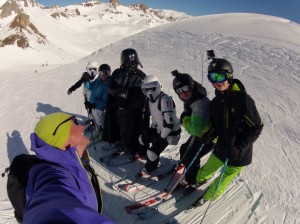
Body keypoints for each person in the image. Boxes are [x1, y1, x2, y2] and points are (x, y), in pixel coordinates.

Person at [195, 55, 263, 206]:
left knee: (223, 179)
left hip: (239, 152)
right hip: (222, 146)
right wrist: (210, 134)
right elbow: (216, 126)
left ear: (229, 76)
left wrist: (239, 147)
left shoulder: (243, 100)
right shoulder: (216, 102)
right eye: (212, 78)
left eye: (220, 77)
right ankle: (199, 180)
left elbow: (256, 127)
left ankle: (208, 196)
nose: (216, 82)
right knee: (205, 171)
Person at [24, 112, 114, 223]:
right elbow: (52, 205)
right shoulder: (53, 174)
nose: (81, 127)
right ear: (62, 136)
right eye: (75, 123)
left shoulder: (76, 162)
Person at [172, 70, 213, 189]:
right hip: (201, 132)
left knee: (191, 155)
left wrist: (184, 120)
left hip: (209, 137)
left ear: (192, 86)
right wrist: (186, 118)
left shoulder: (201, 103)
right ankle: (186, 165)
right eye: (179, 91)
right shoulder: (191, 99)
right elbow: (187, 115)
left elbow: (194, 129)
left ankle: (191, 179)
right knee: (184, 148)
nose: (183, 93)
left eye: (185, 88)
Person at [102, 48, 146, 158]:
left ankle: (129, 147)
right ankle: (120, 143)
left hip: (130, 112)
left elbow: (141, 98)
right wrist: (115, 92)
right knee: (117, 128)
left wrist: (129, 105)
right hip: (117, 108)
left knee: (127, 132)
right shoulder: (118, 72)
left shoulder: (141, 77)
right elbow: (110, 88)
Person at [137, 75, 181, 176]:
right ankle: (144, 155)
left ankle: (151, 165)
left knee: (152, 153)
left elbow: (169, 124)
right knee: (142, 139)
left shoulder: (165, 99)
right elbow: (146, 116)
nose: (149, 92)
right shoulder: (148, 100)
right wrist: (145, 131)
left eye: (152, 88)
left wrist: (160, 138)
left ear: (158, 86)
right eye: (146, 89)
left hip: (171, 131)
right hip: (159, 128)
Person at [84, 64, 112, 135]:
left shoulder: (109, 84)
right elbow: (91, 87)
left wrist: (94, 104)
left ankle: (101, 130)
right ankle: (96, 126)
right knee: (94, 117)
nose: (102, 75)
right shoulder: (98, 80)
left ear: (109, 73)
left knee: (99, 119)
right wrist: (87, 81)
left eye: (104, 73)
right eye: (100, 73)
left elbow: (105, 100)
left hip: (100, 107)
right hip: (94, 105)